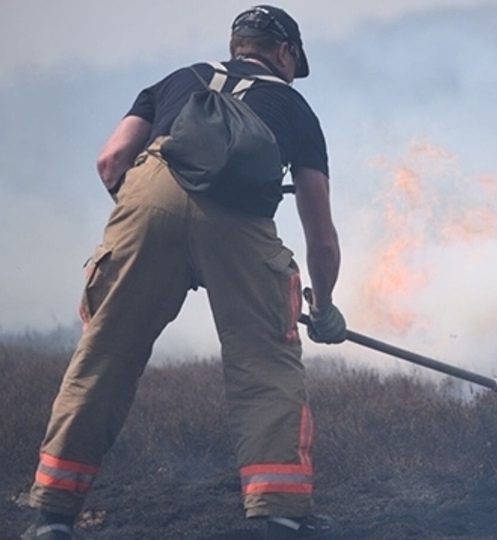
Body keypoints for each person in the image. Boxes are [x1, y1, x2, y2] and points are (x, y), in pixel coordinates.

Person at [22, 5, 345, 540]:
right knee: (264, 362)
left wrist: (150, 224)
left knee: (104, 355)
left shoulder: (178, 79)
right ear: (285, 53)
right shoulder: (295, 109)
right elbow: (322, 236)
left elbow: (111, 161)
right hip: (240, 222)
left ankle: (52, 515)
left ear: (237, 43)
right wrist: (325, 308)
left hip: (147, 201)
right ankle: (280, 511)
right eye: (295, 60)